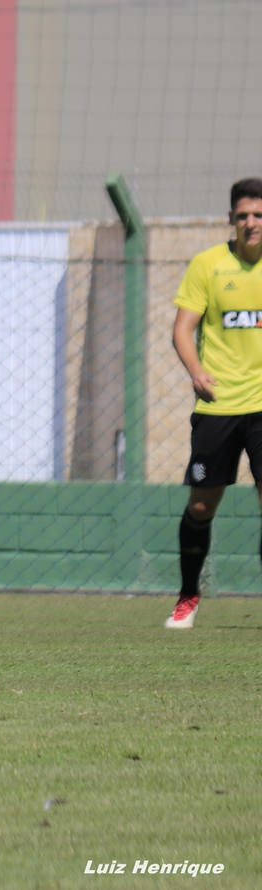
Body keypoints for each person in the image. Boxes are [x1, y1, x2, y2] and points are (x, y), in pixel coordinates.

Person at [165, 176, 262, 629]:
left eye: (258, 215)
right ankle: (187, 595)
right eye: (242, 215)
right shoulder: (207, 265)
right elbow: (183, 328)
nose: (251, 223)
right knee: (202, 507)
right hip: (218, 406)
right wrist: (196, 372)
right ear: (230, 219)